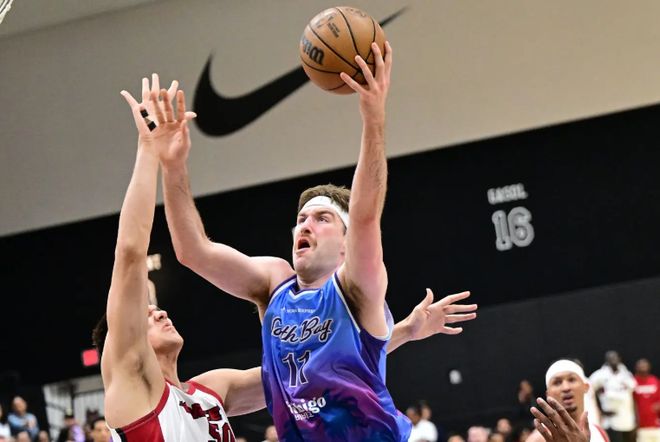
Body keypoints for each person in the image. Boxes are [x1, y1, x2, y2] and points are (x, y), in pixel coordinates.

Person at [97, 73, 476, 441]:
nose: (305, 225)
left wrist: (374, 116)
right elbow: (191, 251)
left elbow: (364, 218)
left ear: (346, 245)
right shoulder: (274, 284)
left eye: (322, 218)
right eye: (301, 219)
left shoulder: (355, 288)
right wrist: (171, 165)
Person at [527, 359, 609, 442]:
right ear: (548, 394)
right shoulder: (537, 439)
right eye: (557, 382)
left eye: (571, 379)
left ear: (586, 387)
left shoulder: (599, 432)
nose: (566, 388)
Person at [589, 352, 636, 442]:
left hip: (626, 418)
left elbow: (632, 393)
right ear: (606, 360)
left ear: (619, 358)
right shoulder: (599, 375)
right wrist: (601, 410)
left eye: (615, 357)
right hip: (610, 421)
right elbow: (590, 392)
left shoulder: (626, 374)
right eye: (610, 358)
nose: (613, 360)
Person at [633, 359, 660, 442]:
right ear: (636, 368)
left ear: (649, 367)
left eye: (645, 366)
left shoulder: (655, 380)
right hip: (641, 427)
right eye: (640, 366)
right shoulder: (632, 382)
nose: (643, 368)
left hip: (656, 425)